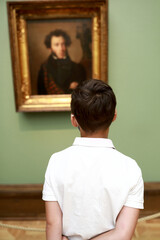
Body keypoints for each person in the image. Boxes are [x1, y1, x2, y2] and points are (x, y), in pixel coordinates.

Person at [42, 79, 144, 240]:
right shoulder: (131, 168)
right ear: (114, 116)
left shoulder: (56, 162)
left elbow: (52, 224)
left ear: (73, 120)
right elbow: (123, 234)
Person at [37, 29, 86, 94]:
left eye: (63, 44)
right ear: (50, 48)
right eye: (56, 45)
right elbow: (41, 95)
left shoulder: (78, 68)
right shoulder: (44, 69)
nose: (61, 48)